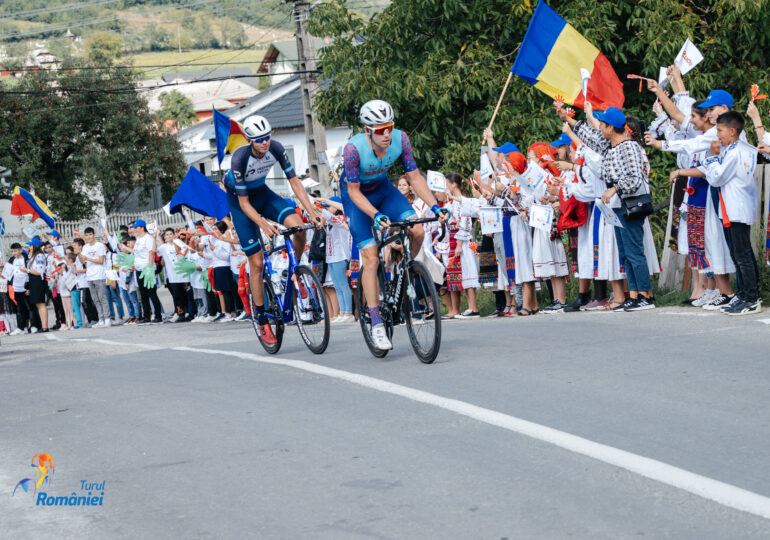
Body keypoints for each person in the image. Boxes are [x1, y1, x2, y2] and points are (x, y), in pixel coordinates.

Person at [340, 99, 450, 350]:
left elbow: (413, 176)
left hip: (384, 190)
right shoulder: (353, 150)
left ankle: (404, 268)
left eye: (389, 126)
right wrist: (375, 214)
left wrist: (434, 206)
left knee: (418, 229)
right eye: (380, 130)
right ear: (368, 130)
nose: (387, 134)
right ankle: (376, 322)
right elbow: (354, 193)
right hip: (357, 198)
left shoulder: (401, 139)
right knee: (371, 259)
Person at [224, 114, 324, 344]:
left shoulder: (276, 148)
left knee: (300, 228)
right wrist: (263, 224)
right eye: (259, 139)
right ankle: (261, 319)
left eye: (267, 137)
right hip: (241, 203)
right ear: (250, 140)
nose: (265, 142)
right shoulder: (240, 158)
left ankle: (294, 271)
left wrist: (312, 211)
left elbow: (295, 183)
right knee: (257, 263)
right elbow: (244, 203)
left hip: (263, 194)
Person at [566, 106, 656, 311]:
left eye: (603, 125)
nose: (600, 128)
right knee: (625, 253)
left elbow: (633, 178)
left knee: (634, 252)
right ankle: (633, 295)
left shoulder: (629, 147)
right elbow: (590, 136)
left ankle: (644, 295)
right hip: (617, 207)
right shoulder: (609, 145)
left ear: (611, 128)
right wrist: (571, 122)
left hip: (630, 205)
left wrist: (613, 188)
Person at [702, 111, 762, 314]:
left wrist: (711, 160)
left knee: (742, 254)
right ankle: (744, 294)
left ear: (733, 131)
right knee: (737, 253)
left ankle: (752, 297)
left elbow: (717, 178)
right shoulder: (733, 149)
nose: (717, 134)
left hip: (736, 208)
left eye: (720, 130)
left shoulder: (736, 152)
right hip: (732, 207)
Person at [80, 227, 111, 328]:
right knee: (95, 299)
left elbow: (100, 261)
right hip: (90, 276)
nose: (88, 237)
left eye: (90, 235)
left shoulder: (99, 246)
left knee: (102, 297)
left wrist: (88, 258)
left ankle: (107, 318)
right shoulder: (85, 248)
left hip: (99, 275)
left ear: (94, 235)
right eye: (87, 235)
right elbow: (83, 262)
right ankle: (101, 319)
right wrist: (80, 256)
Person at [20, 238, 48, 332]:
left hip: (38, 281)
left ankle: (45, 326)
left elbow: (39, 271)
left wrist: (26, 270)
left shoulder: (39, 256)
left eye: (31, 246)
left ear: (35, 246)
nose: (29, 247)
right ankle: (43, 326)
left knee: (41, 304)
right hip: (33, 281)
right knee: (38, 304)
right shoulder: (32, 256)